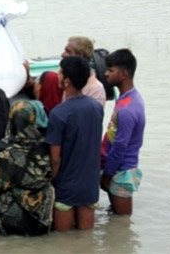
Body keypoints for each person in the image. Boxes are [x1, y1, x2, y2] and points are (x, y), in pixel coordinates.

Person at [46, 56, 104, 231]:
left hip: (66, 187)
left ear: (67, 81)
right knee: (86, 240)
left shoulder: (58, 114)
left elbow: (55, 160)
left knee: (63, 241)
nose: (57, 75)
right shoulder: (96, 108)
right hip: (90, 185)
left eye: (60, 72)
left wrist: (50, 181)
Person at [0, 100, 55, 236]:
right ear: (33, 118)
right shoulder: (47, 146)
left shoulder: (0, 152)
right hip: (40, 218)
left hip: (10, 219)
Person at [100, 49, 145, 215]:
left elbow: (120, 146)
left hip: (121, 170)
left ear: (123, 74)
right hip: (115, 166)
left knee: (121, 223)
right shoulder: (127, 98)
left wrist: (108, 174)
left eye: (111, 70)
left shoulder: (128, 109)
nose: (106, 74)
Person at [62, 36, 106, 107]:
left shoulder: (95, 89)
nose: (63, 54)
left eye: (68, 51)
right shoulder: (69, 81)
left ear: (80, 55)